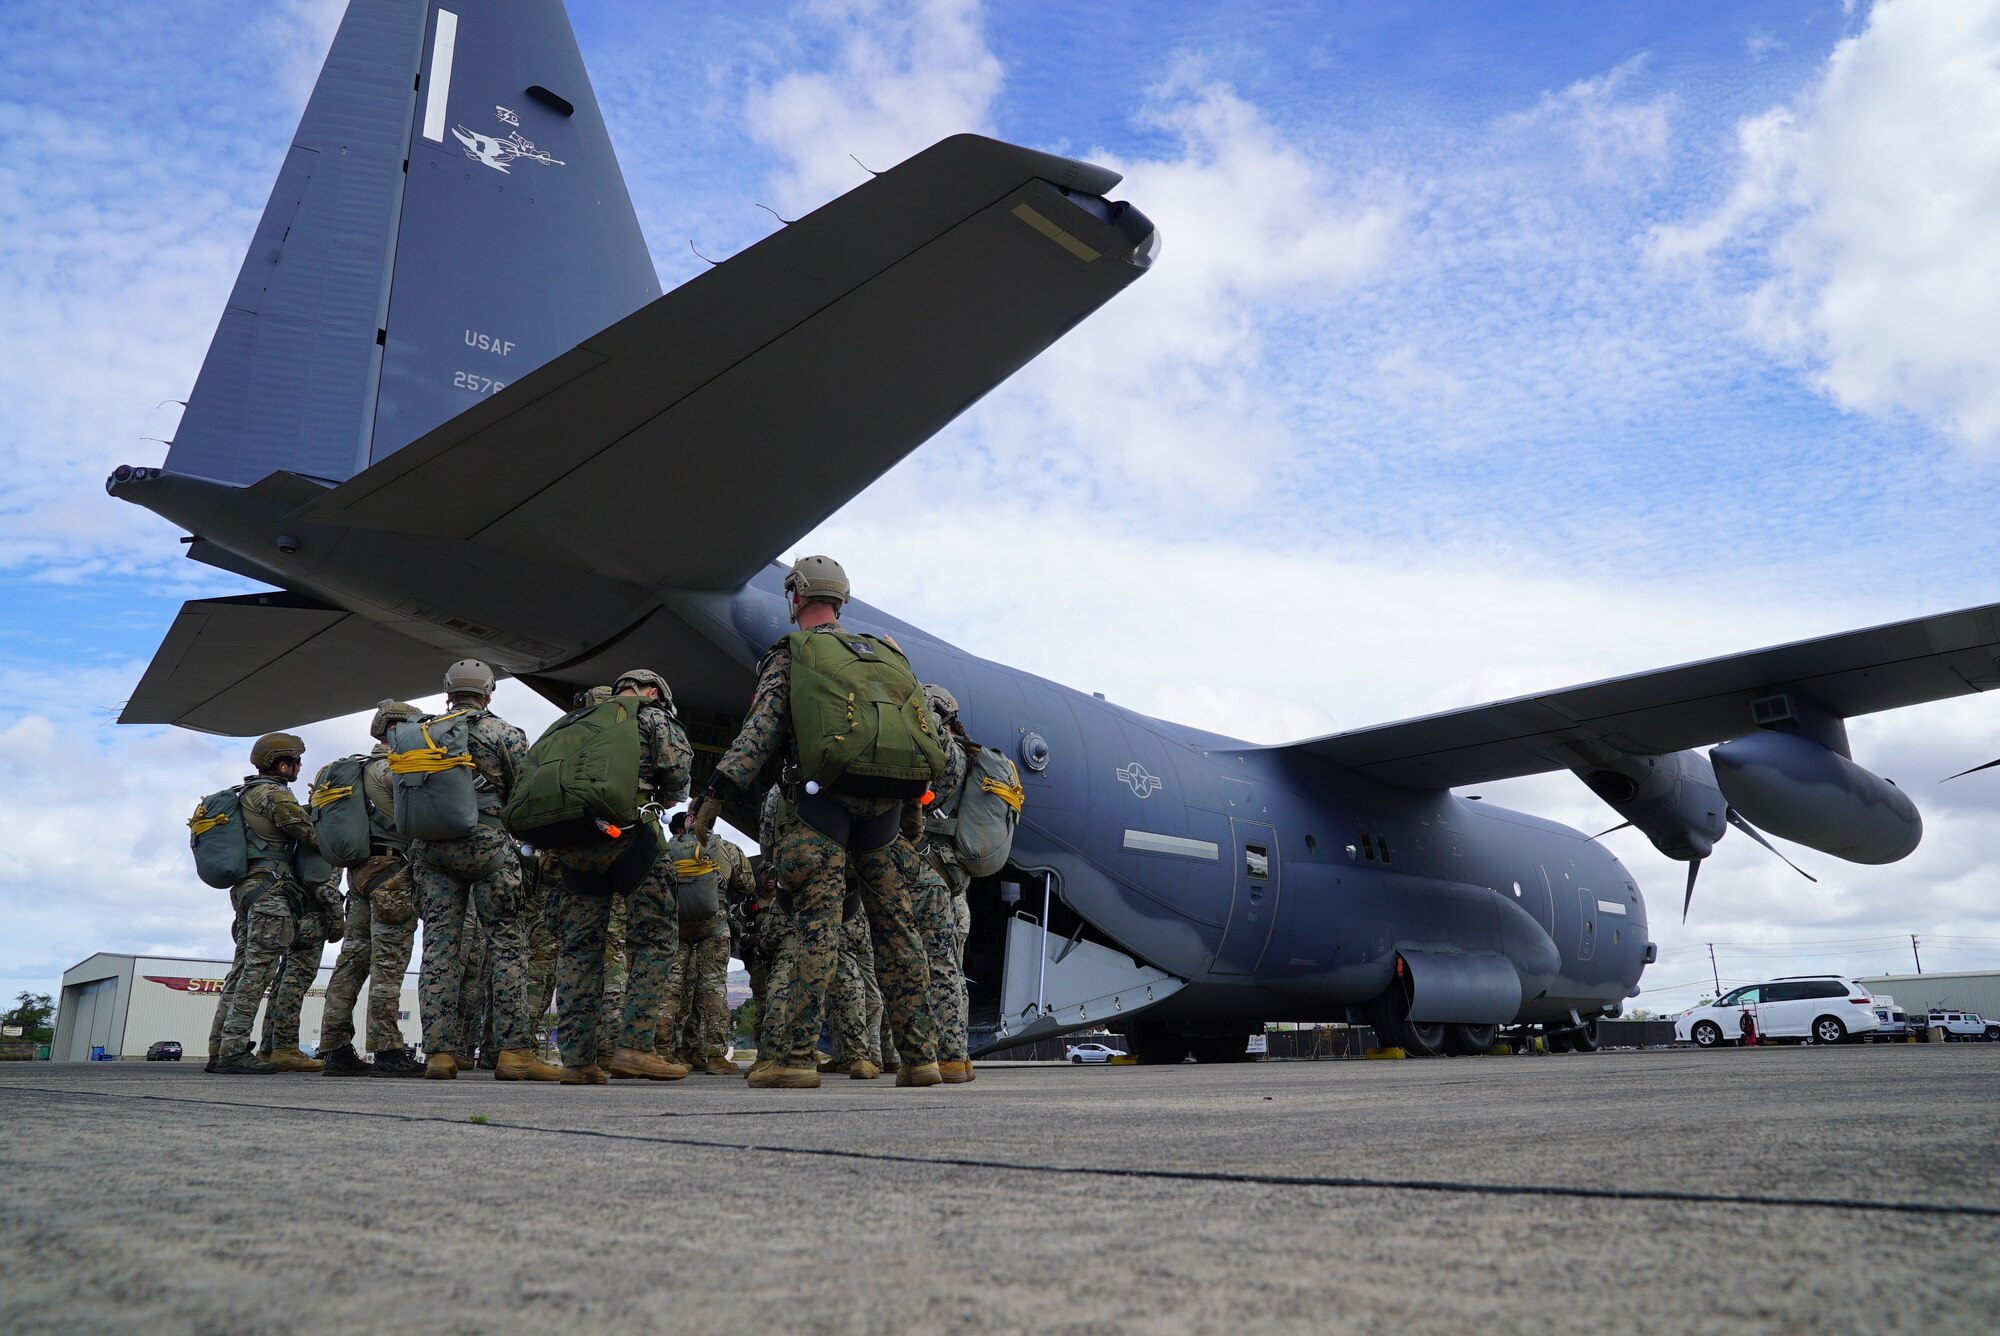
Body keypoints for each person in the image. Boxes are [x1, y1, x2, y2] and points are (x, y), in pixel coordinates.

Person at [688, 555, 943, 1090]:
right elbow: (915, 740)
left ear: (796, 597)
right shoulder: (887, 655)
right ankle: (923, 1060)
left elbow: (759, 733)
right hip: (885, 815)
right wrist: (914, 809)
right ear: (842, 600)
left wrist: (713, 796)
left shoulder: (791, 654)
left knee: (816, 933)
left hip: (818, 810)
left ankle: (795, 1060)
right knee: (898, 933)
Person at [408, 660, 562, 1081]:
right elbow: (523, 793)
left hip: (431, 852)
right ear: (488, 692)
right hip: (488, 847)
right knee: (508, 945)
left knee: (439, 948)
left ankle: (439, 1054)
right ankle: (513, 1052)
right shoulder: (505, 733)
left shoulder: (421, 732)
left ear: (448, 690)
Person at [546, 669, 693, 1084]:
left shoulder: (575, 722)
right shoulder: (652, 716)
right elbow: (677, 779)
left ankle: (576, 1060)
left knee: (578, 950)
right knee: (655, 939)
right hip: (631, 835)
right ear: (650, 691)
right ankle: (634, 1048)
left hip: (574, 841)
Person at [320, 701, 427, 1076]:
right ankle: (387, 1050)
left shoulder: (355, 771)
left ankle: (335, 1048)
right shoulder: (393, 770)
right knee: (389, 964)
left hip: (360, 874)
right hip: (393, 873)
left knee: (351, 961)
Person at [211, 733, 321, 1075]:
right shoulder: (273, 794)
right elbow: (310, 834)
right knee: (258, 972)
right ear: (282, 764)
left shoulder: (243, 794)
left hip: (247, 889)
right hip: (271, 892)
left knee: (243, 968)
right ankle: (233, 1051)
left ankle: (218, 1046)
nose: (299, 767)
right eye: (297, 762)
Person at [656, 811, 753, 1076]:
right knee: (713, 992)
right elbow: (746, 884)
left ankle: (665, 1053)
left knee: (670, 991)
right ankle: (715, 1057)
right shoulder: (725, 846)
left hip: (677, 927)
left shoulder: (668, 848)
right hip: (714, 926)